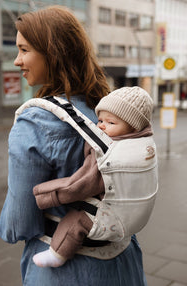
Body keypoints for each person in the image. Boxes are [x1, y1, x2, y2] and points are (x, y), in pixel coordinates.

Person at [0, 5, 149, 286]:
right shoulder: (108, 109)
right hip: (124, 259)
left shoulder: (34, 120)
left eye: (25, 49)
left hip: (63, 270)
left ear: (52, 53)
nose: (17, 60)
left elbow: (19, 223)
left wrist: (6, 227)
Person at [32, 86, 154, 268]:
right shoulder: (145, 146)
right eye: (100, 120)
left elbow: (77, 185)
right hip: (136, 214)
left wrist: (42, 195)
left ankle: (57, 255)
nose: (101, 126)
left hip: (113, 219)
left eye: (111, 123)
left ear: (133, 126)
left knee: (75, 221)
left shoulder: (109, 155)